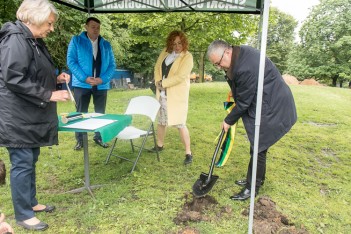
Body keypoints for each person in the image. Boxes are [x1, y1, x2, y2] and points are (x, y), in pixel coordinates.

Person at [0, 0, 71, 230]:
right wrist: (49, 95)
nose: (51, 28)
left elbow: (33, 73)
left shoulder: (33, 40)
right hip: (17, 116)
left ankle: (31, 202)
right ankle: (23, 214)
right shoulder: (16, 39)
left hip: (30, 114)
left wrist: (56, 79)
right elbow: (14, 78)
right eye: (49, 23)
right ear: (35, 17)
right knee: (22, 163)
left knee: (31, 160)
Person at [207, 40, 297, 201]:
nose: (219, 67)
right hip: (265, 99)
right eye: (216, 65)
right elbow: (241, 89)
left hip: (273, 104)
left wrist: (228, 120)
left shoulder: (245, 66)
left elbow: (243, 102)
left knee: (259, 145)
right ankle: (256, 179)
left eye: (219, 63)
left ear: (227, 52)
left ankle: (252, 187)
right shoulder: (239, 55)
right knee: (257, 145)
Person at [67, 17, 116, 150]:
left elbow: (112, 65)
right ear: (86, 27)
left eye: (98, 27)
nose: (96, 30)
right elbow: (71, 61)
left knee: (100, 112)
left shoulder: (106, 44)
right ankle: (80, 140)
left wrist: (102, 79)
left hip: (101, 85)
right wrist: (84, 78)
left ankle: (99, 137)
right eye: (93, 27)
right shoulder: (76, 41)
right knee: (80, 113)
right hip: (82, 84)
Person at [154, 30, 194, 165]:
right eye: (174, 43)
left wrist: (163, 83)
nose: (177, 46)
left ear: (184, 43)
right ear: (170, 43)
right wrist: (158, 83)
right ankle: (159, 145)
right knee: (161, 121)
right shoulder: (165, 52)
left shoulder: (187, 57)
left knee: (180, 123)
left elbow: (181, 76)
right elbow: (157, 68)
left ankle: (188, 152)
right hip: (162, 94)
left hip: (176, 95)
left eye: (180, 43)